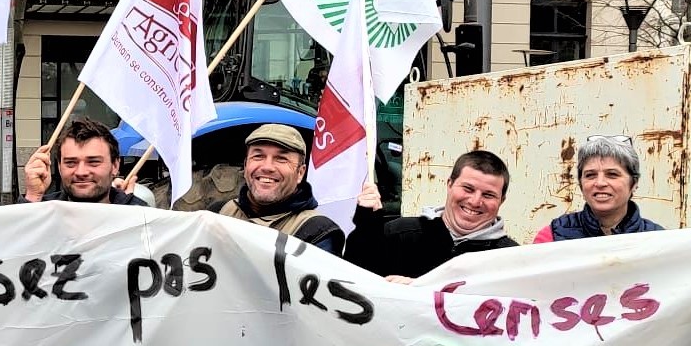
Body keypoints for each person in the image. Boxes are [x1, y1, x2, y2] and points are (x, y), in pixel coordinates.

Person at [346, 149, 517, 280]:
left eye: (488, 195)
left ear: (502, 200)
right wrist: (366, 227)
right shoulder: (398, 234)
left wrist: (418, 289)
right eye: (468, 189)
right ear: (449, 185)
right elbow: (354, 280)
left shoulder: (513, 261)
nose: (475, 201)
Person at [216, 124, 343, 254]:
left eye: (281, 159)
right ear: (245, 165)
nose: (267, 167)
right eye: (258, 156)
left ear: (300, 173)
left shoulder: (316, 232)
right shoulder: (220, 212)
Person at [530, 134, 665, 242]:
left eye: (612, 174)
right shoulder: (551, 237)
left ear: (634, 183)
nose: (600, 183)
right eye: (590, 175)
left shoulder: (661, 241)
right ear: (581, 184)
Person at [21, 118, 148, 206]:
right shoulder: (41, 211)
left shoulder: (142, 218)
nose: (81, 172)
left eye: (93, 162)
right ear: (59, 166)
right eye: (71, 163)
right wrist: (33, 196)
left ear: (115, 165)